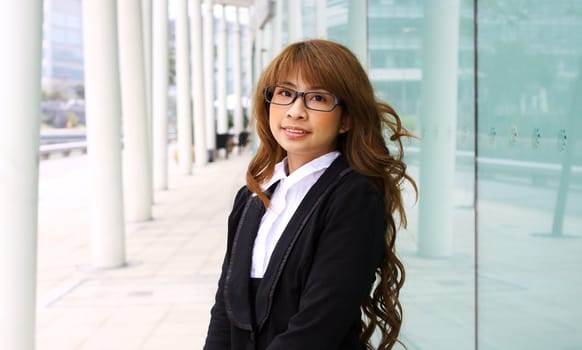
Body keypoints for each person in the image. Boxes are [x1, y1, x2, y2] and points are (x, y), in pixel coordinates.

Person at [204, 39, 416, 350]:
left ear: (346, 119)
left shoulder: (353, 198)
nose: (296, 111)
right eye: (285, 93)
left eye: (317, 98)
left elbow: (319, 326)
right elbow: (225, 311)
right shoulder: (252, 197)